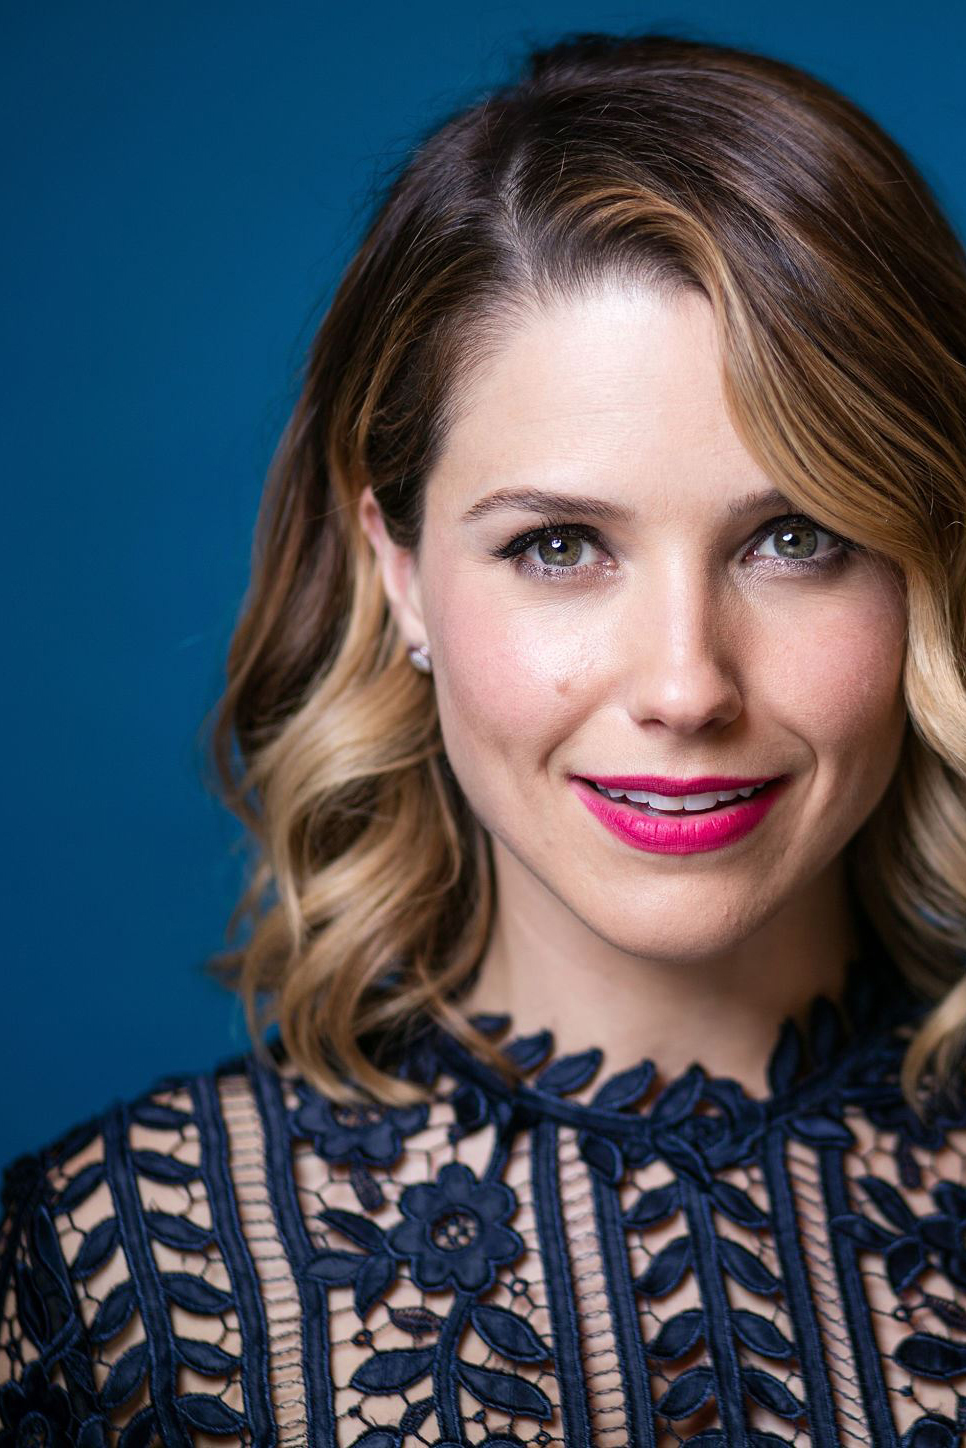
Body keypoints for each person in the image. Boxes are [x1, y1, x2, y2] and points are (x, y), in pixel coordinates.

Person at [4, 28, 966, 1448]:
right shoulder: (109, 1284)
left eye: (796, 537)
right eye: (559, 545)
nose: (686, 685)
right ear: (398, 571)